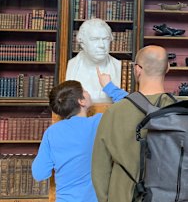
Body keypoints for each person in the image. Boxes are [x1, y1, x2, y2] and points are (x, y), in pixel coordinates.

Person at [91, 45, 178, 201]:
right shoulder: (187, 111)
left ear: (137, 70)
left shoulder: (114, 113)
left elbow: (100, 170)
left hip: (126, 195)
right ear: (168, 68)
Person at [32, 69, 127, 202]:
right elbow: (129, 105)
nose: (88, 93)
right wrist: (107, 85)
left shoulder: (51, 133)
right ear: (81, 101)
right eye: (85, 91)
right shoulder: (99, 122)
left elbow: (39, 174)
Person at [66, 18, 121, 103]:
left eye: (105, 39)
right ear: (82, 43)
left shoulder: (119, 66)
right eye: (95, 39)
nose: (102, 45)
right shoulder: (72, 66)